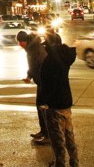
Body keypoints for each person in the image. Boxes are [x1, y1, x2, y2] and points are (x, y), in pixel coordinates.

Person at [34, 36, 79, 167]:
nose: (44, 48)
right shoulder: (65, 58)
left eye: (46, 46)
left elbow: (46, 84)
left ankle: (60, 164)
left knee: (57, 140)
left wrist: (43, 101)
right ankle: (74, 162)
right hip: (65, 102)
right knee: (69, 136)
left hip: (53, 105)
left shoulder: (49, 61)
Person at [16, 30, 49, 141]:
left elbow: (38, 65)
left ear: (23, 42)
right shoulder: (32, 47)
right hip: (42, 81)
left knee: (43, 107)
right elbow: (33, 66)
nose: (20, 45)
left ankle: (48, 134)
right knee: (41, 106)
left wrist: (34, 76)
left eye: (20, 42)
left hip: (44, 82)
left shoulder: (33, 49)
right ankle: (44, 131)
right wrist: (29, 76)